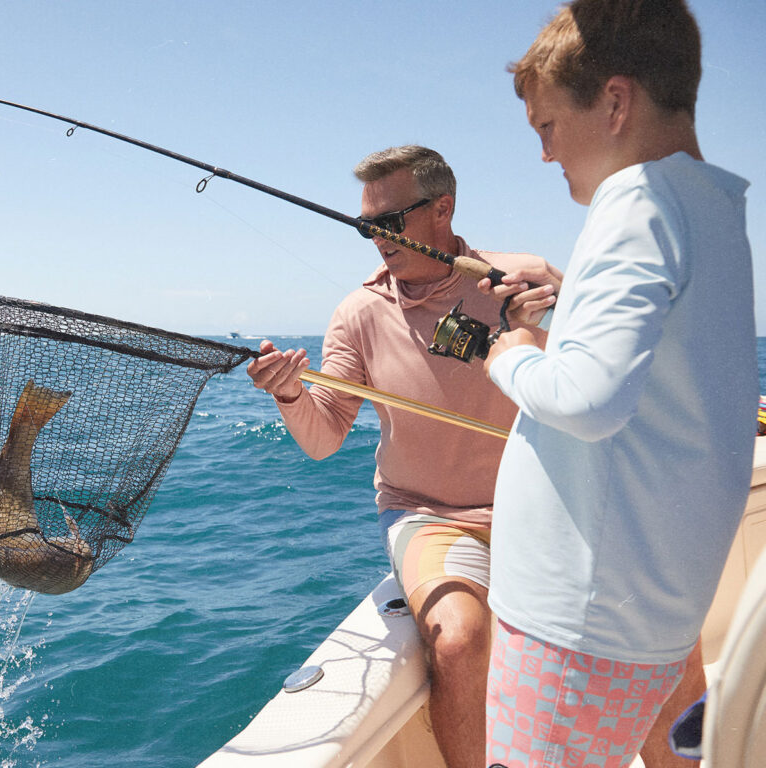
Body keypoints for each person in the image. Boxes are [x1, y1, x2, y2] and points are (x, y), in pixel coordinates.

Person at [480, 2, 759, 767]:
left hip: (573, 626)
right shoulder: (709, 204)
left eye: (545, 127)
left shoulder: (633, 202)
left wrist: (509, 350)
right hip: (644, 614)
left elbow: (588, 399)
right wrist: (574, 294)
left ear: (614, 101)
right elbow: (672, 356)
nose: (543, 154)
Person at [246, 145, 558, 768]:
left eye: (388, 222)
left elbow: (600, 370)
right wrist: (288, 392)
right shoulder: (359, 314)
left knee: (634, 622)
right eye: (366, 225)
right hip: (429, 515)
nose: (374, 238)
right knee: (459, 640)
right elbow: (323, 436)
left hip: (545, 506)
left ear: (442, 209)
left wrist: (561, 309)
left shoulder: (524, 276)